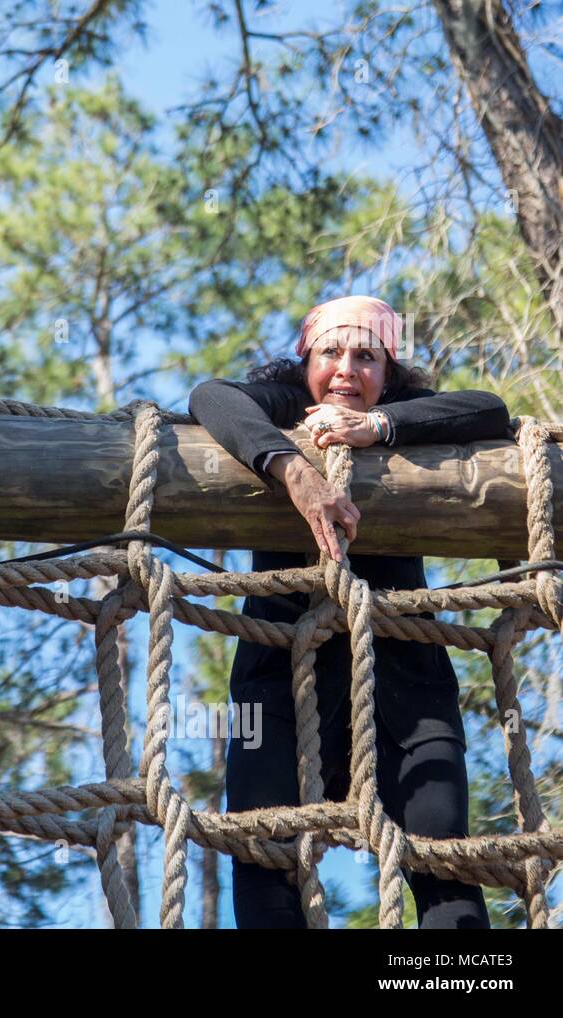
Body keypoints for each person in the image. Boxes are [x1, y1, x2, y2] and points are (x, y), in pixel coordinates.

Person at [187, 295, 512, 929]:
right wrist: (294, 471)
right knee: (263, 860)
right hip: (280, 681)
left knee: (445, 865)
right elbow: (210, 396)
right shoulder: (284, 411)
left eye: (367, 356)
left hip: (405, 690)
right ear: (303, 362)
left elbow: (491, 409)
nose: (346, 369)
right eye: (330, 352)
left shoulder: (406, 419)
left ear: (389, 373)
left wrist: (379, 429)